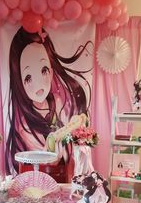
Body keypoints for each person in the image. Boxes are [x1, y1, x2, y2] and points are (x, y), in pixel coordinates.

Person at [5, 26, 92, 174]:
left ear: (51, 72)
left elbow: (71, 135)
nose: (39, 83)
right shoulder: (25, 127)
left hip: (64, 174)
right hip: (39, 179)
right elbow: (38, 161)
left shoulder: (60, 103)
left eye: (43, 70)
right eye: (28, 77)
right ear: (19, 82)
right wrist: (52, 156)